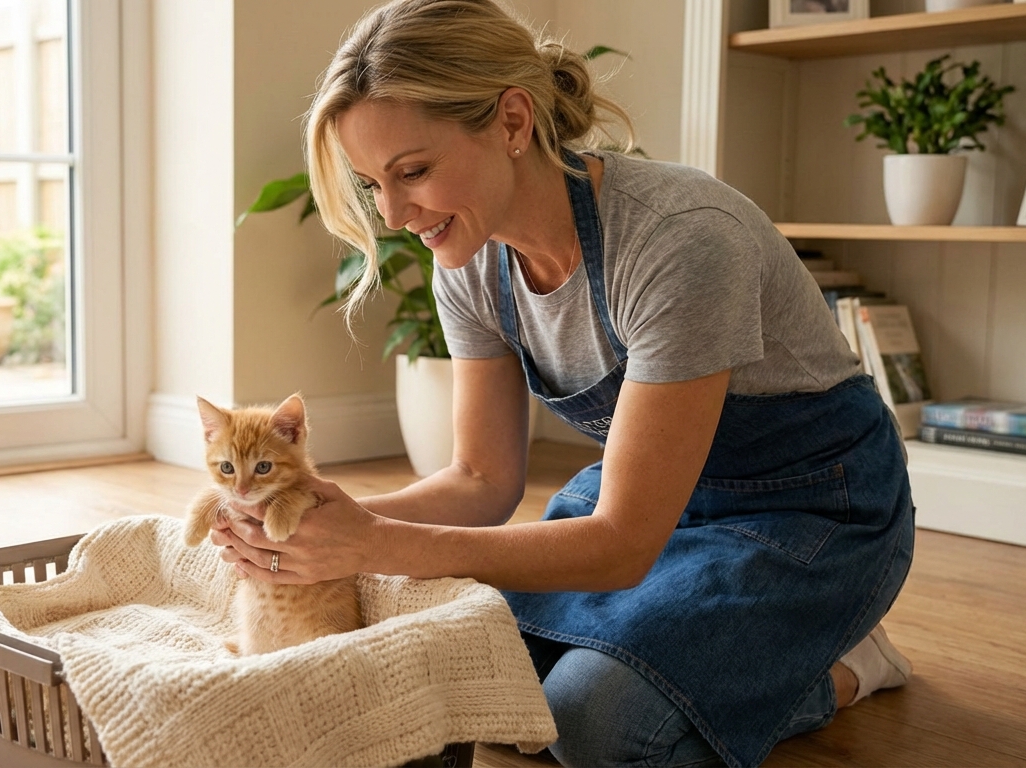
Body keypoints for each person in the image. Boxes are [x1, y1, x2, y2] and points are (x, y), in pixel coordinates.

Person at [210, 1, 916, 765]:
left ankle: (841, 668)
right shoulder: (471, 257)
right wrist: (328, 523)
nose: (394, 214)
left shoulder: (680, 241)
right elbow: (481, 480)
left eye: (413, 172)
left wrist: (375, 542)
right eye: (373, 184)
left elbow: (619, 545)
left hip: (811, 513)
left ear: (513, 122)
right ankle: (736, 655)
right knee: (455, 662)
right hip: (646, 504)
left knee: (592, 724)